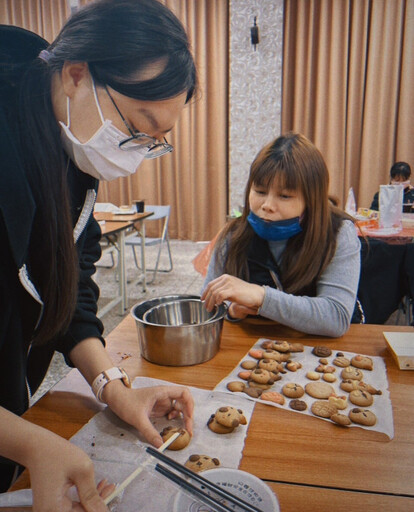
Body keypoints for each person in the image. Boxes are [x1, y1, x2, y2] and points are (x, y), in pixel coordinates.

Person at [0, 0, 197, 509]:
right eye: (136, 125)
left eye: (155, 141)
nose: (134, 153)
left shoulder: (72, 155)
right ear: (75, 74)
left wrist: (114, 387)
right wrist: (29, 442)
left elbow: (71, 296)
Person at [201, 133, 361, 338]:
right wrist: (232, 310)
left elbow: (336, 317)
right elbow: (207, 307)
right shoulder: (233, 236)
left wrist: (261, 296)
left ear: (311, 200)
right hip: (253, 348)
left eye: (284, 196)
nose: (267, 206)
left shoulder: (338, 234)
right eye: (259, 191)